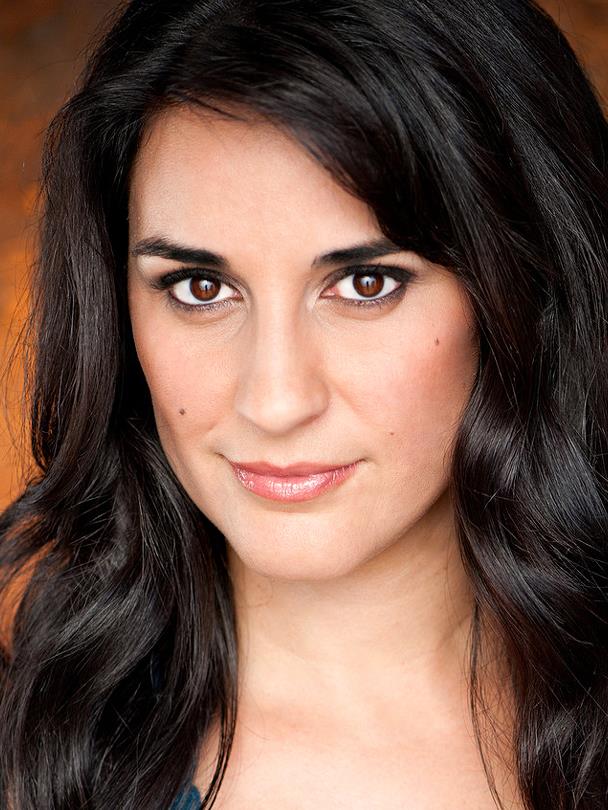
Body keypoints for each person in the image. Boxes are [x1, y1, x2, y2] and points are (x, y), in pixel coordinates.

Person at [1, 0, 607, 808]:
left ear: (520, 292)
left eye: (366, 283)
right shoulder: (28, 761)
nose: (276, 400)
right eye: (200, 287)